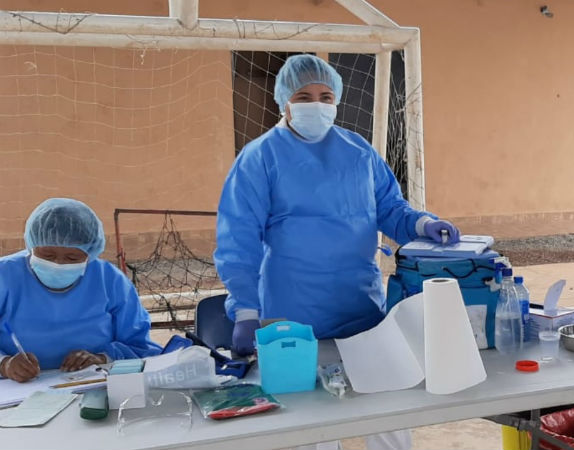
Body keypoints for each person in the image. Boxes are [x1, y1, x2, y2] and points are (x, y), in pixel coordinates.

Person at [214, 55, 460, 449]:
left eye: (326, 96)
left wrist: (421, 225)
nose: (317, 103)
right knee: (309, 421)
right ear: (284, 101)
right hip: (291, 314)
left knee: (388, 408)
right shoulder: (259, 158)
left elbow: (390, 209)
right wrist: (245, 309)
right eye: (304, 95)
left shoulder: (358, 151)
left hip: (358, 308)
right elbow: (237, 239)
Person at [0, 198, 162, 382]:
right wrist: (5, 364)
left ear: (90, 254)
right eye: (47, 255)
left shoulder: (109, 280)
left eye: (72, 257)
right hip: (14, 390)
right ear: (31, 246)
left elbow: (139, 344)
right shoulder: (5, 276)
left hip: (91, 383)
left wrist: (102, 358)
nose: (58, 264)